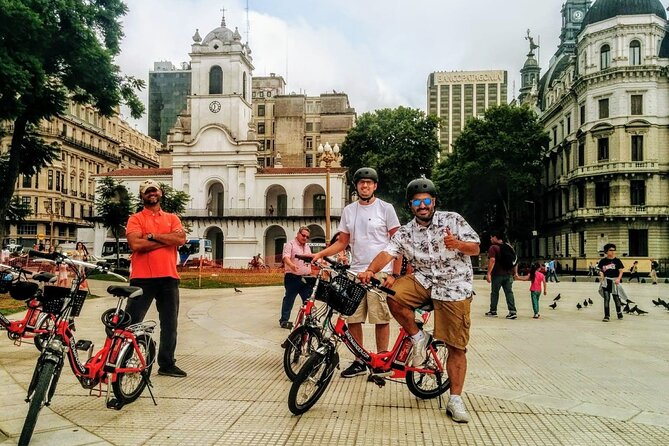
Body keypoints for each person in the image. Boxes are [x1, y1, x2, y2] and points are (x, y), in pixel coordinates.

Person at [358, 177, 480, 423]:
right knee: (392, 294)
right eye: (417, 202)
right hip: (424, 281)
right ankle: (418, 337)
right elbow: (387, 252)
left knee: (456, 345)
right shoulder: (406, 232)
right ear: (411, 205)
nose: (422, 205)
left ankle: (455, 400)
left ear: (433, 201)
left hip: (453, 286)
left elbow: (475, 247)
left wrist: (457, 244)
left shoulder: (452, 220)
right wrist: (370, 270)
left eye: (426, 201)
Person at [312, 167, 401, 378]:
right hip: (355, 273)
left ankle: (381, 361)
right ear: (357, 186)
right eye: (361, 182)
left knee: (380, 318)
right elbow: (342, 242)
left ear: (375, 186)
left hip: (380, 272)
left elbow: (399, 243)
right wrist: (321, 254)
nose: (365, 185)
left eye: (369, 182)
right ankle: (359, 360)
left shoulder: (386, 208)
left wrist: (394, 274)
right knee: (353, 319)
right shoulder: (349, 211)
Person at [126, 179, 188, 378]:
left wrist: (151, 237)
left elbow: (180, 239)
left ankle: (167, 363)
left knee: (170, 324)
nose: (151, 194)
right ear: (142, 196)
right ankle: (124, 358)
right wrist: (165, 239)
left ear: (161, 194)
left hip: (169, 277)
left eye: (154, 191)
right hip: (142, 278)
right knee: (132, 322)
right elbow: (136, 245)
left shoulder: (172, 218)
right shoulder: (135, 219)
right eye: (147, 192)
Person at [279, 226, 314, 329]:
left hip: (306, 278)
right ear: (298, 234)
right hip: (292, 277)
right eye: (303, 235)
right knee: (289, 299)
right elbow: (286, 257)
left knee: (308, 300)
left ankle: (308, 320)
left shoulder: (307, 247)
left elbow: (310, 259)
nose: (305, 238)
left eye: (307, 237)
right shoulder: (290, 244)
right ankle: (284, 320)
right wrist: (291, 265)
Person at [485, 231, 518, 319]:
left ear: (495, 237)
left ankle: (493, 310)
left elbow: (492, 260)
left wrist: (488, 273)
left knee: (495, 293)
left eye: (491, 237)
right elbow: (515, 260)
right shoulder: (508, 246)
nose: (490, 239)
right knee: (509, 292)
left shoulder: (493, 247)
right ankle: (512, 311)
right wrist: (515, 273)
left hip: (497, 274)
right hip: (508, 274)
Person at [597, 243, 624, 322]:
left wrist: (619, 278)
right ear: (606, 251)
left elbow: (621, 271)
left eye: (614, 250)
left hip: (614, 281)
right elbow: (600, 270)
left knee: (616, 298)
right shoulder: (603, 261)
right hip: (606, 281)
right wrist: (601, 275)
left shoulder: (617, 261)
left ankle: (619, 312)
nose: (612, 252)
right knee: (606, 299)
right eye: (610, 250)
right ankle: (607, 316)